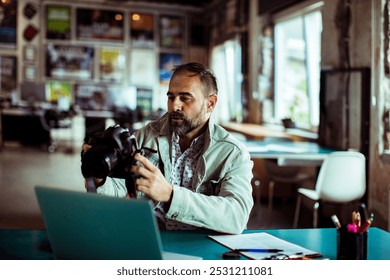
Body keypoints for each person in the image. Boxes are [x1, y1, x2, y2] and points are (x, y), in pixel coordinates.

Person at [85, 62, 254, 234]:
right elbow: (122, 189)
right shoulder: (145, 136)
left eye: (185, 98)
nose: (175, 106)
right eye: (171, 97)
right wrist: (100, 178)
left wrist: (171, 195)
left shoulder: (233, 153)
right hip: (151, 237)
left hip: (203, 244)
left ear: (210, 103)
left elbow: (236, 215)